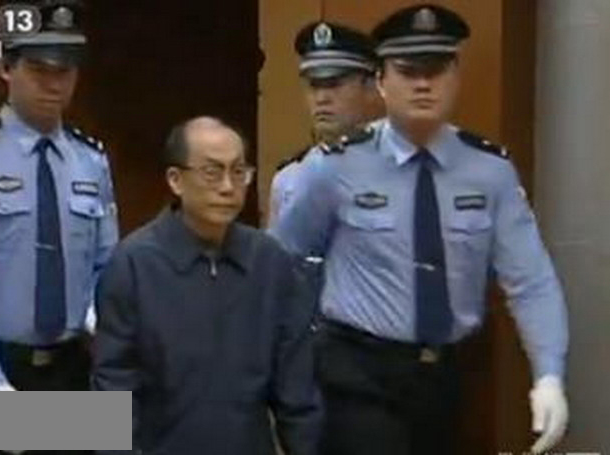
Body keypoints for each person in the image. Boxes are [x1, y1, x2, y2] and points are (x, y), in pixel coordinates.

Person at [270, 4, 569, 455]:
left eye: (436, 69)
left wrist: (548, 374)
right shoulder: (334, 167)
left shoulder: (490, 171)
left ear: (456, 75)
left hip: (444, 373)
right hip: (356, 372)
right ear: (382, 80)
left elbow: (530, 280)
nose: (423, 84)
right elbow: (281, 262)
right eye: (408, 71)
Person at [92, 117, 322, 455]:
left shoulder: (270, 262)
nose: (228, 187)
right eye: (212, 172)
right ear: (175, 180)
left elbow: (295, 388)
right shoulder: (134, 264)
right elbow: (114, 384)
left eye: (239, 171)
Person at [0, 0, 118, 394]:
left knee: (109, 427)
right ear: (5, 67)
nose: (54, 84)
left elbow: (108, 265)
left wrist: (97, 317)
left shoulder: (91, 161)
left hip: (73, 364)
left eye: (65, 71)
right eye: (40, 70)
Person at [268, 21, 383, 225]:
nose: (321, 98)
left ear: (372, 87)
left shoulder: (400, 170)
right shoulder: (290, 179)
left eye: (334, 85)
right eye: (314, 86)